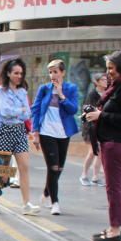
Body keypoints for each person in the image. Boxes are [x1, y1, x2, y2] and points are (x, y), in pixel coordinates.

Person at [83, 50, 121, 241]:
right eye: (107, 68)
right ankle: (112, 227)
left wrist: (102, 116)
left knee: (114, 187)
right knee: (111, 187)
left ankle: (115, 230)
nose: (108, 72)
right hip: (109, 142)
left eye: (111, 68)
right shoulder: (117, 87)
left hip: (117, 144)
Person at [30, 59, 80, 216]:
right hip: (46, 132)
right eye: (50, 72)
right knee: (53, 167)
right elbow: (36, 110)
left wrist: (61, 95)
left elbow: (73, 110)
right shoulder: (44, 89)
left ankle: (46, 191)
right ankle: (55, 202)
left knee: (59, 168)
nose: (52, 75)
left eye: (55, 72)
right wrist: (35, 132)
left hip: (63, 133)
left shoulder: (71, 89)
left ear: (63, 72)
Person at [0, 59, 40, 215]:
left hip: (20, 131)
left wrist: (18, 110)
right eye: (16, 73)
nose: (19, 76)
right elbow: (5, 112)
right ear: (8, 73)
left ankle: (26, 204)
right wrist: (19, 110)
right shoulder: (1, 91)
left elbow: (28, 113)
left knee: (24, 167)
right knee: (1, 170)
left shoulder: (23, 91)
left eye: (21, 73)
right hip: (4, 130)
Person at [80, 73, 107, 186]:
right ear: (96, 82)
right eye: (103, 79)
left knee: (100, 152)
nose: (106, 81)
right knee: (93, 151)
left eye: (106, 79)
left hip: (102, 127)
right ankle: (84, 175)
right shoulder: (92, 95)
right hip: (91, 127)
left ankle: (95, 177)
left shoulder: (107, 94)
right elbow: (87, 110)